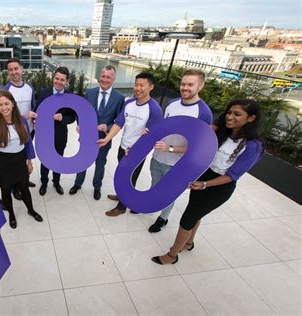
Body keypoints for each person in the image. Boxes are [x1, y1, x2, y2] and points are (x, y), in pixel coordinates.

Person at [152, 99, 264, 264]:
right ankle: (189, 243)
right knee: (196, 213)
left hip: (219, 187)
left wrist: (205, 184)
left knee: (187, 219)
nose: (230, 117)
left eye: (237, 114)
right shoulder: (222, 132)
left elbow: (232, 176)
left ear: (251, 118)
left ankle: (171, 255)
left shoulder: (253, 146)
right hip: (204, 177)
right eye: (229, 112)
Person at [148, 69, 213, 233]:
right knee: (155, 185)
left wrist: (170, 149)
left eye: (190, 84)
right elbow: (164, 128)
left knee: (168, 193)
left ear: (201, 86)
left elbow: (199, 146)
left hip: (177, 164)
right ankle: (147, 204)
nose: (185, 87)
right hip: (157, 157)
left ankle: (163, 218)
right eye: (183, 84)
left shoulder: (204, 113)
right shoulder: (172, 104)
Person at [98, 72, 163, 215]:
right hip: (123, 147)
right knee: (122, 173)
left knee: (129, 178)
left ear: (151, 87)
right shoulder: (129, 103)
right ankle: (122, 196)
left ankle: (122, 207)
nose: (137, 88)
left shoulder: (155, 109)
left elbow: (151, 137)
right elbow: (119, 123)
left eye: (142, 85)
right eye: (136, 84)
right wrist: (107, 138)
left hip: (138, 151)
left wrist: (134, 149)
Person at [0, 90, 43, 229]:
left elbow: (28, 142)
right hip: (3, 163)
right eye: (0, 105)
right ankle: (11, 214)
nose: (4, 107)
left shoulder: (22, 121)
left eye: (6, 103)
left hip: (20, 160)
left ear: (12, 104)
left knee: (24, 188)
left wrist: (29, 162)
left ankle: (31, 210)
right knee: (6, 191)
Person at [69, 65, 125, 200]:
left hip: (104, 139)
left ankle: (97, 187)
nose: (105, 79)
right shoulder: (90, 93)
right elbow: (80, 113)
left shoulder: (119, 98)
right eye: (103, 76)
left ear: (114, 79)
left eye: (108, 77)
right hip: (87, 137)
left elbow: (120, 121)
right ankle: (77, 184)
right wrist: (80, 125)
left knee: (100, 164)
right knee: (82, 161)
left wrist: (107, 127)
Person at [35, 67, 76, 196]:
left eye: (62, 80)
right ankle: (44, 183)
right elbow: (37, 111)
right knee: (45, 160)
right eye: (57, 78)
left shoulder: (70, 96)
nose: (58, 82)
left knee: (58, 160)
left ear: (66, 81)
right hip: (44, 134)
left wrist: (62, 118)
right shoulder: (43, 93)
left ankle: (56, 182)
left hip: (60, 134)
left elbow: (72, 117)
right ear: (53, 78)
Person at [4, 58, 37, 200]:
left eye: (16, 68)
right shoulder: (6, 90)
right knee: (14, 160)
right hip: (12, 133)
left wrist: (34, 119)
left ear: (22, 69)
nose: (13, 72)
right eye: (10, 70)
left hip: (28, 131)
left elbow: (33, 107)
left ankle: (23, 180)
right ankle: (14, 187)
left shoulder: (29, 88)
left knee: (24, 157)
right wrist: (24, 116)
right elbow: (4, 114)